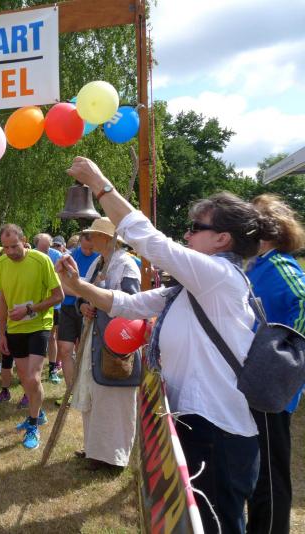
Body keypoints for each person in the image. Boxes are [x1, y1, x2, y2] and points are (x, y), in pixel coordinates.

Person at [58, 156, 273, 533]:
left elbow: (151, 241)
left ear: (222, 239)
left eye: (195, 228)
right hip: (198, 424)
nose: (187, 236)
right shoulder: (193, 287)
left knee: (217, 524)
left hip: (218, 434)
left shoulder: (219, 276)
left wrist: (99, 184)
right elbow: (129, 304)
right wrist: (78, 287)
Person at [245, 194, 305, 534]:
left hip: (272, 386)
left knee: (270, 475)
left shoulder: (280, 265)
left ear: (264, 230)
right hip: (255, 382)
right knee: (258, 470)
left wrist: (287, 358)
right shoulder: (257, 265)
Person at [66, 218, 140, 471]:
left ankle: (114, 457)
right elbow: (83, 294)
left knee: (114, 400)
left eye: (94, 235)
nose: (89, 239)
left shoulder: (126, 265)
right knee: (95, 395)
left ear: (107, 238)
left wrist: (102, 304)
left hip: (115, 343)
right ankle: (95, 451)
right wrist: (83, 306)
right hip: (95, 338)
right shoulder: (99, 262)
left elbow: (132, 305)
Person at [0, 224, 63, 450]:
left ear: (24, 241)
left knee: (33, 377)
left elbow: (58, 296)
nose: (10, 252)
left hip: (39, 324)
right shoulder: (0, 264)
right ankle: (38, 412)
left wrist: (30, 309)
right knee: (25, 378)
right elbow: (2, 300)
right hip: (15, 329)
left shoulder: (41, 260)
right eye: (5, 248)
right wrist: (2, 332)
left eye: (14, 246)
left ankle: (33, 425)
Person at [57, 233, 99, 388]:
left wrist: (79, 291)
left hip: (89, 309)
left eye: (91, 248)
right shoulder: (69, 257)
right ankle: (71, 390)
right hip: (68, 308)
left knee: (84, 351)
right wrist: (81, 293)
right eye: (84, 248)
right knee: (65, 349)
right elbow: (61, 284)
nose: (87, 251)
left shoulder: (100, 259)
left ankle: (85, 388)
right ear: (80, 242)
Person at [34, 233, 64, 387]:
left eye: (47, 248)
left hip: (54, 304)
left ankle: (52, 369)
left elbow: (61, 278)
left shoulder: (57, 255)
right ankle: (33, 372)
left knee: (52, 336)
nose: (45, 252)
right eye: (42, 249)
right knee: (34, 336)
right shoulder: (30, 256)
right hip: (35, 303)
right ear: (36, 245)